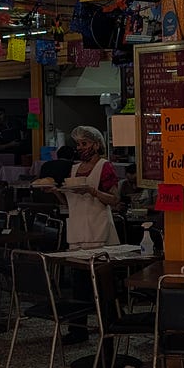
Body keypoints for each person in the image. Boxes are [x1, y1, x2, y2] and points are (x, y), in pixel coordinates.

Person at [57, 125, 120, 344]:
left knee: (103, 286)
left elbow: (114, 199)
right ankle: (78, 330)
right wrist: (56, 192)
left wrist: (93, 191)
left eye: (84, 143)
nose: (80, 148)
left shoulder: (105, 167)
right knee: (79, 286)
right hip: (77, 231)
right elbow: (68, 202)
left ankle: (109, 327)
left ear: (95, 144)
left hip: (99, 230)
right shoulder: (74, 170)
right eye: (78, 144)